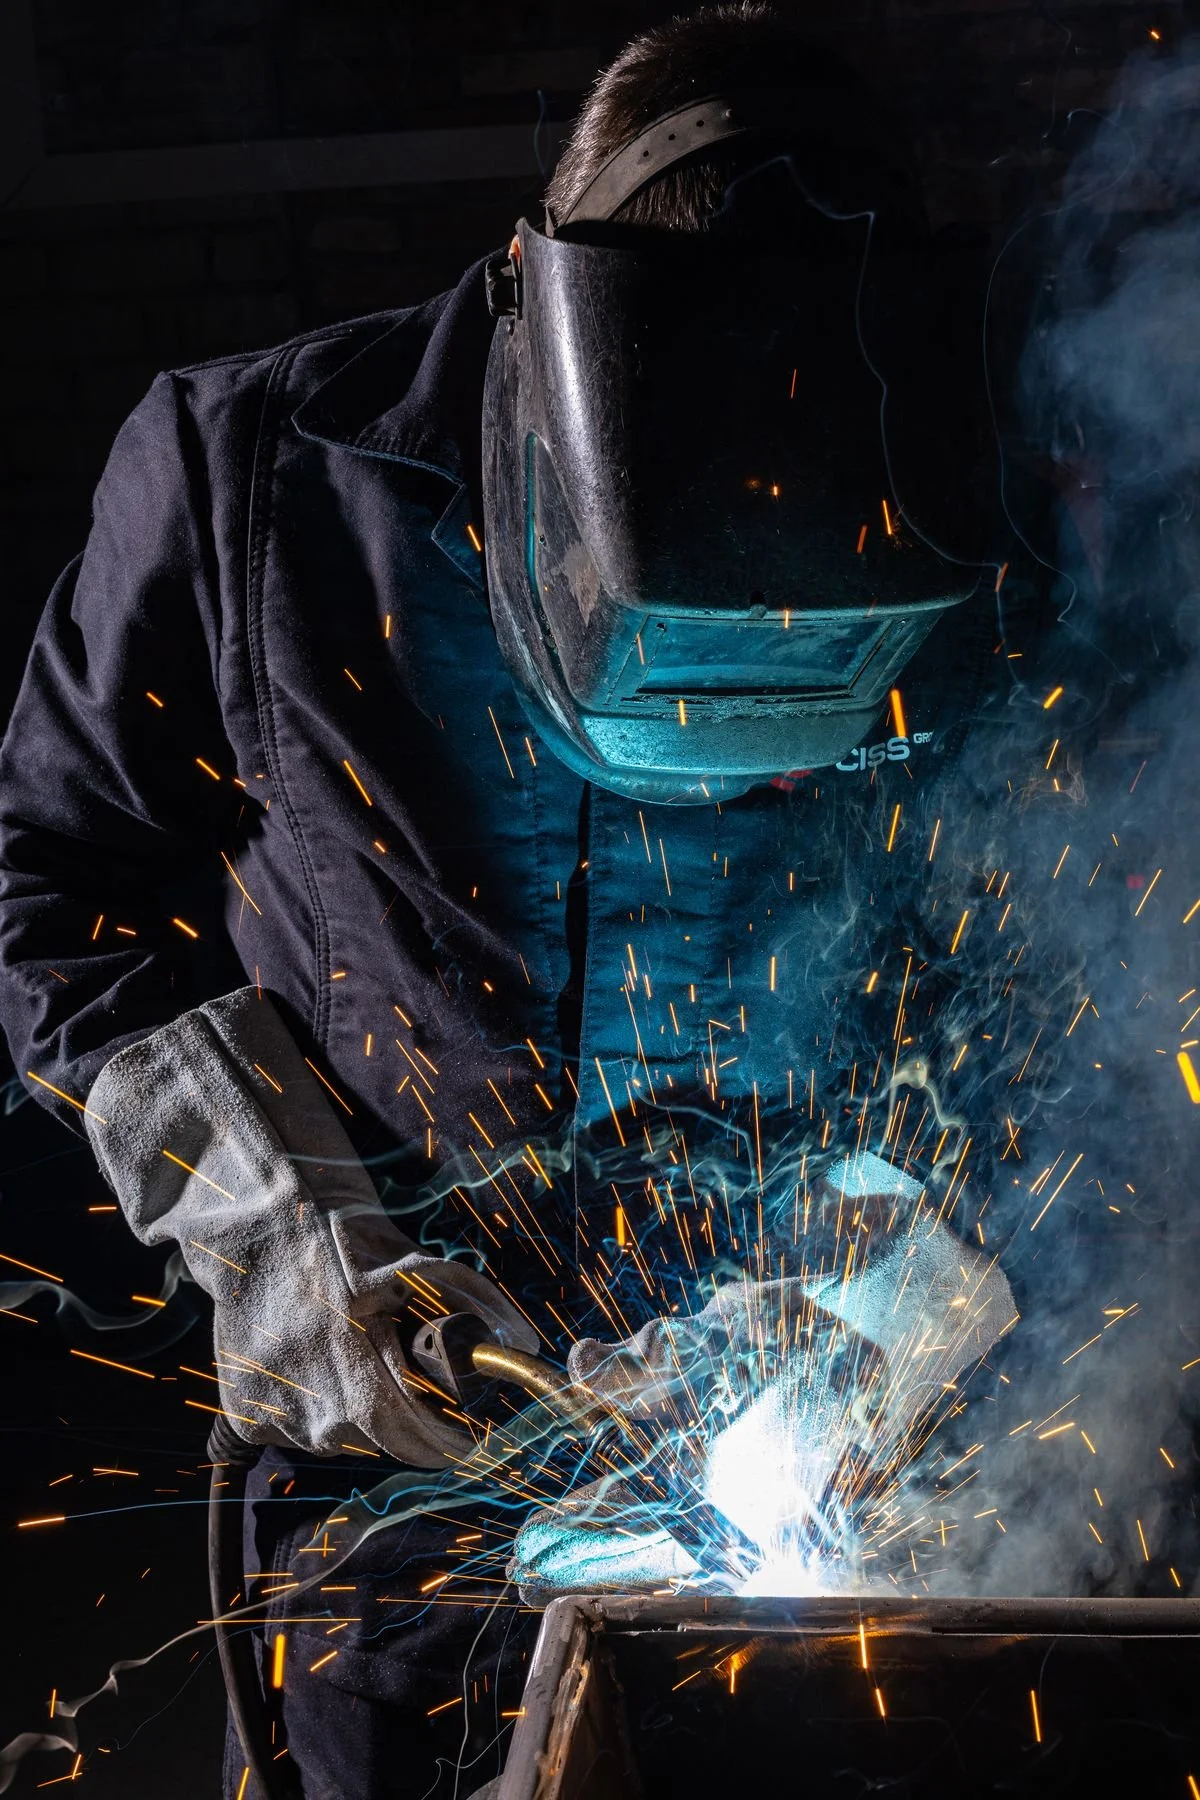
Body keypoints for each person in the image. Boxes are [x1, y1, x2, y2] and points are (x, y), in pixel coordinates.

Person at [0, 6, 1038, 1795]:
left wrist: (920, 1290)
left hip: (806, 1459)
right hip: (382, 1492)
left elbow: (1074, 966)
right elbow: (53, 883)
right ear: (534, 328)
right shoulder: (251, 475)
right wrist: (284, 1238)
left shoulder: (970, 509)